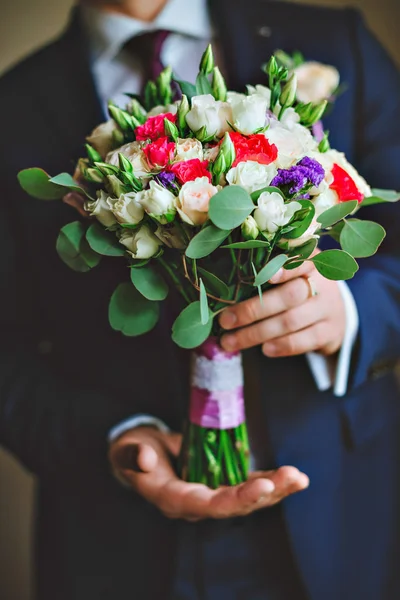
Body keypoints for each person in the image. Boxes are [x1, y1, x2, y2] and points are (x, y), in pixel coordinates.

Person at [0, 0, 399, 598]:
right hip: (115, 546)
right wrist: (114, 440)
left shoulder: (333, 42)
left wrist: (350, 313)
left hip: (342, 517)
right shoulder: (14, 105)